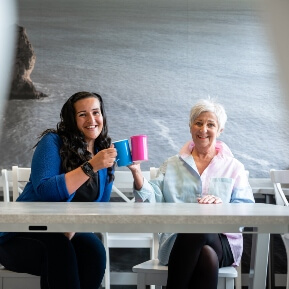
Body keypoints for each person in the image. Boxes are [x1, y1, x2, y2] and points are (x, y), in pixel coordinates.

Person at [128, 98, 255, 289]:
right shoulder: (171, 164)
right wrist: (136, 171)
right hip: (176, 244)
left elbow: (246, 210)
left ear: (220, 130)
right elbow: (150, 202)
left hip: (223, 243)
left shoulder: (234, 167)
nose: (203, 129)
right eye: (198, 123)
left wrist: (222, 205)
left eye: (210, 124)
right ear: (190, 127)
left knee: (200, 226)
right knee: (205, 254)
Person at [0, 91, 117, 289]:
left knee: (94, 250)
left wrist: (72, 227)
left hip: (66, 232)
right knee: (59, 249)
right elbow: (45, 190)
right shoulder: (53, 142)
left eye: (96, 112)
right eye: (82, 114)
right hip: (20, 235)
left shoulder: (102, 154)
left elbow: (100, 207)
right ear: (72, 119)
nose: (91, 119)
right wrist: (91, 166)